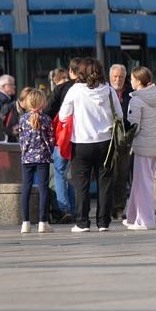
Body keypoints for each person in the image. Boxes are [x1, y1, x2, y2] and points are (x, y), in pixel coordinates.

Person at [57, 58, 121, 232]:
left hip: (81, 143)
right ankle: (103, 223)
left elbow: (63, 116)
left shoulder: (75, 90)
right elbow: (120, 116)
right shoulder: (109, 90)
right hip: (106, 144)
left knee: (81, 184)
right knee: (105, 183)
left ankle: (82, 222)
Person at [125, 67, 156, 230]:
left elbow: (133, 126)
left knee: (143, 183)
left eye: (132, 78)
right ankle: (133, 217)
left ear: (138, 81)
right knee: (140, 181)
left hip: (142, 146)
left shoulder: (136, 100)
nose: (130, 81)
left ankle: (145, 220)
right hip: (154, 145)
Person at [15, 87, 54, 234]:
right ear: (42, 103)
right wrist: (49, 151)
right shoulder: (46, 119)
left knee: (26, 188)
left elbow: (21, 139)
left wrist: (25, 151)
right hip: (43, 158)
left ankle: (25, 223)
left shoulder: (23, 119)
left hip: (27, 158)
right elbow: (51, 139)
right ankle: (43, 222)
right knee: (44, 188)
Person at [43, 62, 79, 221]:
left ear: (71, 71)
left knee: (59, 173)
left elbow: (48, 112)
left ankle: (63, 209)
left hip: (62, 137)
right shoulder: (90, 87)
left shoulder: (61, 89)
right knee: (72, 175)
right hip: (82, 139)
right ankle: (75, 209)